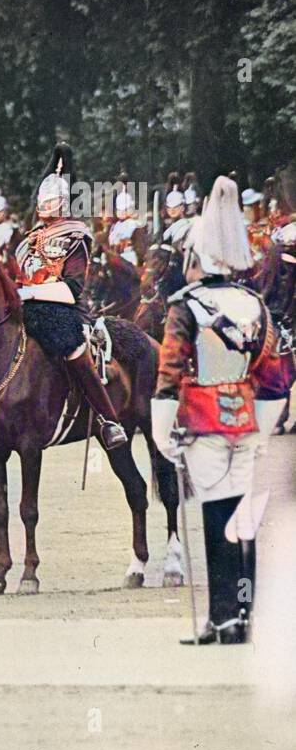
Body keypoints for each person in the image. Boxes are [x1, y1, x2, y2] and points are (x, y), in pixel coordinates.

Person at [152, 177, 292, 645]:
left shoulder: (185, 307)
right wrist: (264, 427)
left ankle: (222, 616)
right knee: (244, 516)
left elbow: (169, 372)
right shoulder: (255, 304)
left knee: (217, 515)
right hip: (247, 419)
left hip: (204, 420)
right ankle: (247, 612)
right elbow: (273, 378)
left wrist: (160, 430)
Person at [12, 143, 127, 449]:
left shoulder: (75, 236)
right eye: (43, 201)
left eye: (51, 201)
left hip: (63, 308)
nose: (45, 206)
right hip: (26, 304)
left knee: (71, 344)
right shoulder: (29, 240)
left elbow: (71, 287)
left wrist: (29, 292)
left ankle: (108, 419)